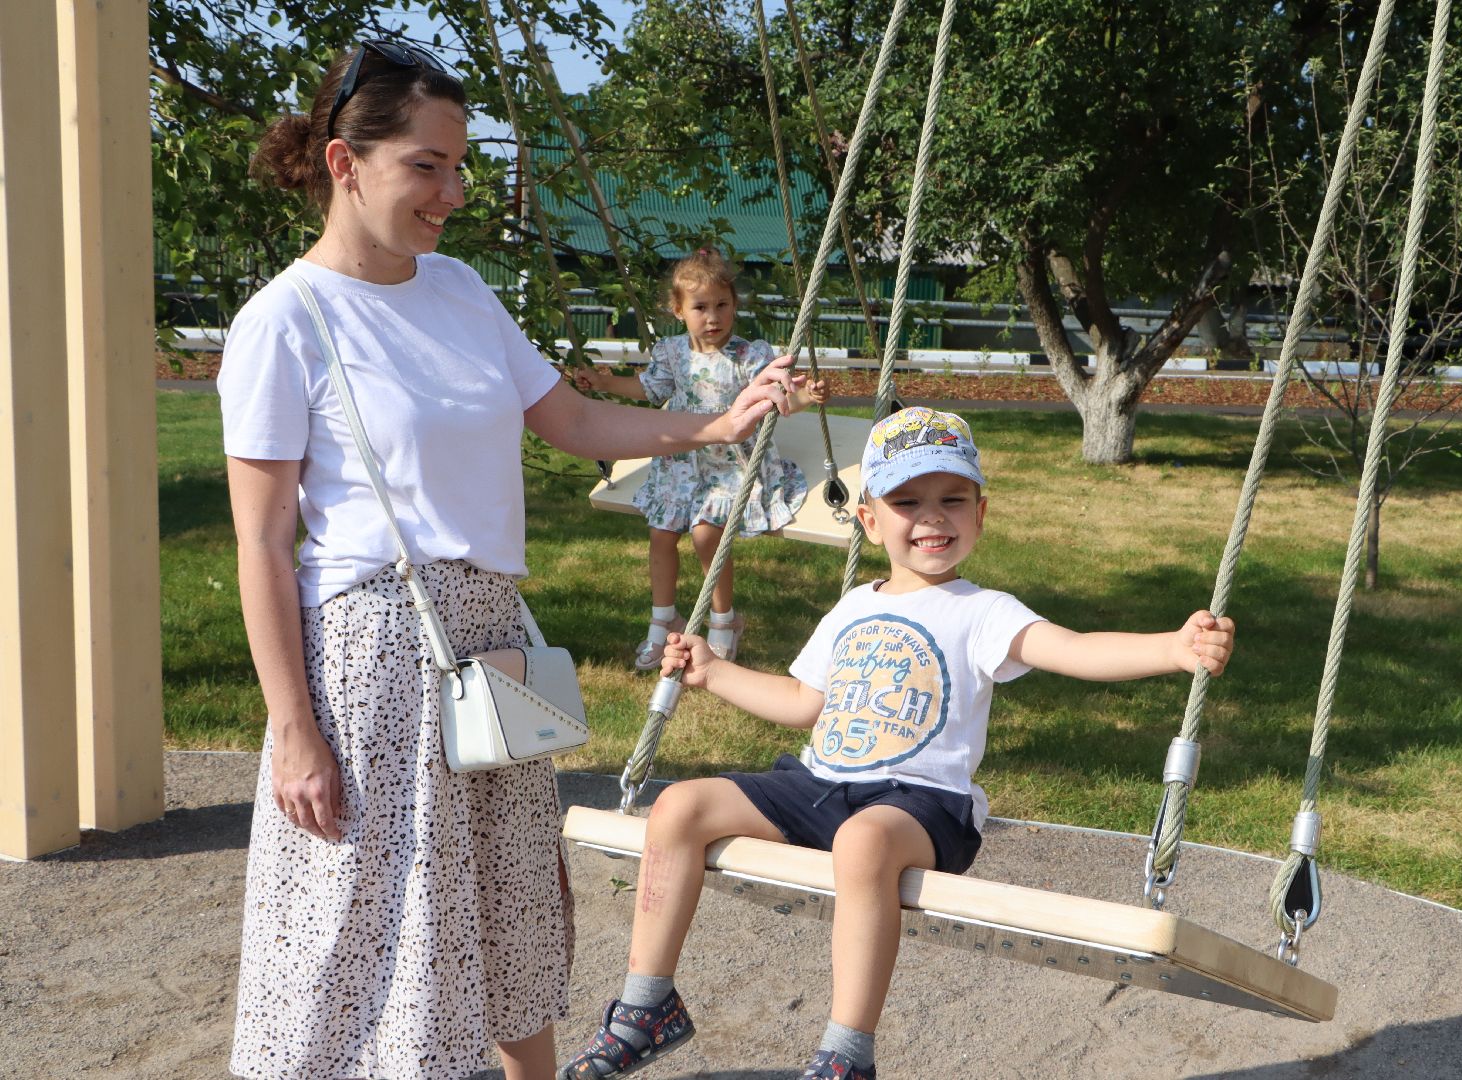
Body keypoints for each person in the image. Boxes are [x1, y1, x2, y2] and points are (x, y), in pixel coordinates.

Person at [219, 39, 805, 1080]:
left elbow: (571, 418)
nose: (452, 191)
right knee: (388, 922)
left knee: (507, 901)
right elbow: (264, 541)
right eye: (425, 167)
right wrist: (292, 730)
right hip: (376, 658)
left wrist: (715, 431)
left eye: (459, 165)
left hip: (491, 637)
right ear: (346, 164)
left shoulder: (459, 292)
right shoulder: (284, 322)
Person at [557, 407, 1237, 1080]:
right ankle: (646, 1008)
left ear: (980, 512)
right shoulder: (854, 604)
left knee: (863, 843)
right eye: (908, 500)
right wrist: (715, 672)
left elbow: (1076, 649)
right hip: (822, 784)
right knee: (679, 806)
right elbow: (803, 704)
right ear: (871, 521)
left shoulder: (983, 610)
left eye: (952, 499)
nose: (933, 517)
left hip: (922, 804)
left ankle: (847, 1053)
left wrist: (1172, 649)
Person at [568, 249, 827, 669]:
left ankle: (724, 622)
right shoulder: (672, 353)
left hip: (732, 465)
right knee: (660, 534)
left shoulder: (748, 355)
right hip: (681, 463)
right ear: (678, 310)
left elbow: (780, 397)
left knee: (707, 534)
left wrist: (804, 396)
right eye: (701, 307)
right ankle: (663, 619)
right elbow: (648, 390)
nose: (713, 317)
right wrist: (602, 381)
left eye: (722, 305)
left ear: (734, 305)